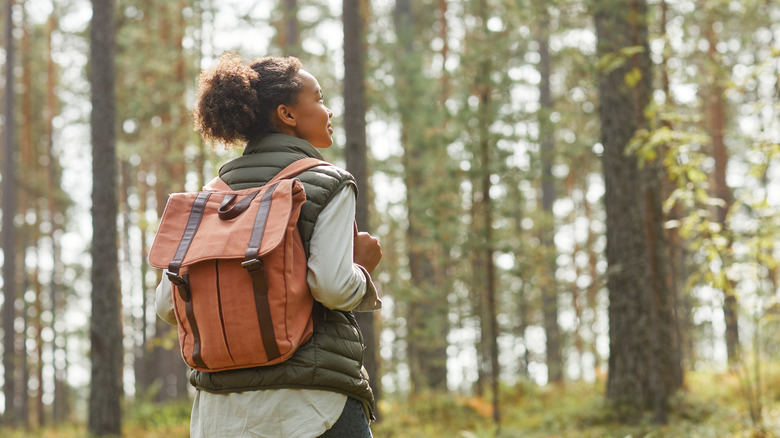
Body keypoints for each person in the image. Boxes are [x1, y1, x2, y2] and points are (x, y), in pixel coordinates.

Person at [155, 53, 383, 438]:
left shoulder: (208, 198)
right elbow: (331, 286)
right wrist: (360, 268)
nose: (329, 111)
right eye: (319, 98)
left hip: (220, 413)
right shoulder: (326, 182)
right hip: (311, 408)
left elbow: (166, 305)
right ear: (287, 115)